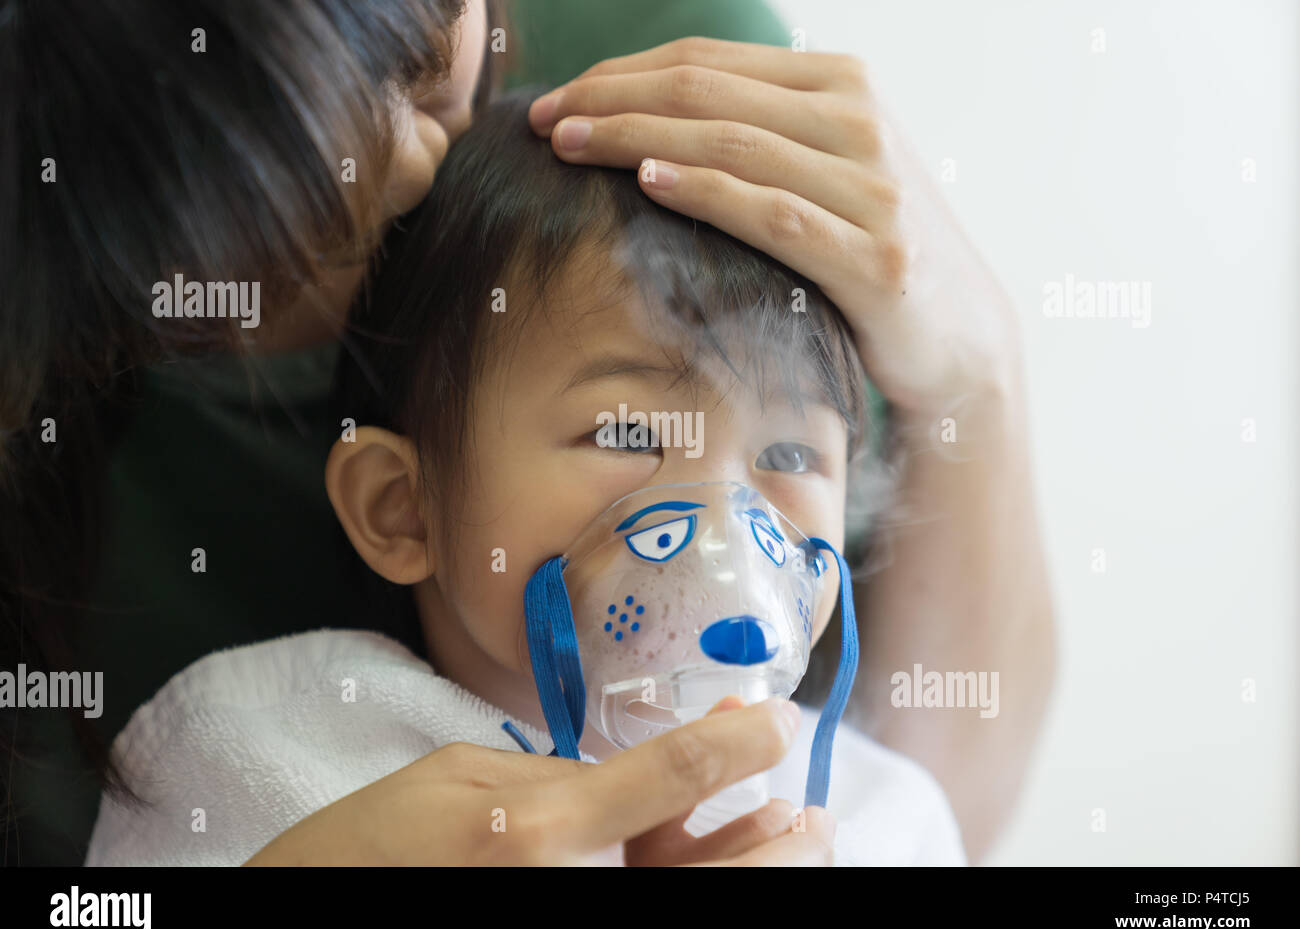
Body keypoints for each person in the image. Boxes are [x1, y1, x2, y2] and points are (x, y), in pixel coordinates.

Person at [2, 0, 1054, 866]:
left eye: (787, 457)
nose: (415, 165)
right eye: (626, 429)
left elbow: (955, 789)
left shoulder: (697, 114)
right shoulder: (251, 752)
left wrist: (974, 372)